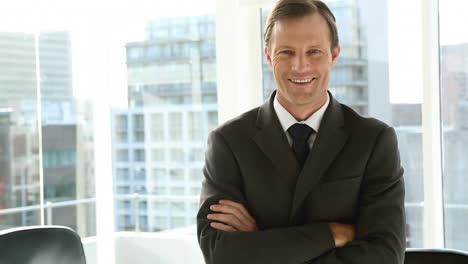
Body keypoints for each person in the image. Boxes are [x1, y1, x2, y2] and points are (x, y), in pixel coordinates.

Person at [196, 0, 406, 263]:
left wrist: (261, 242)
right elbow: (220, 254)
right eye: (286, 52)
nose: (300, 66)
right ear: (269, 56)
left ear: (335, 54)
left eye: (314, 51)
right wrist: (331, 234)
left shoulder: (374, 140)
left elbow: (384, 255)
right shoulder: (228, 142)